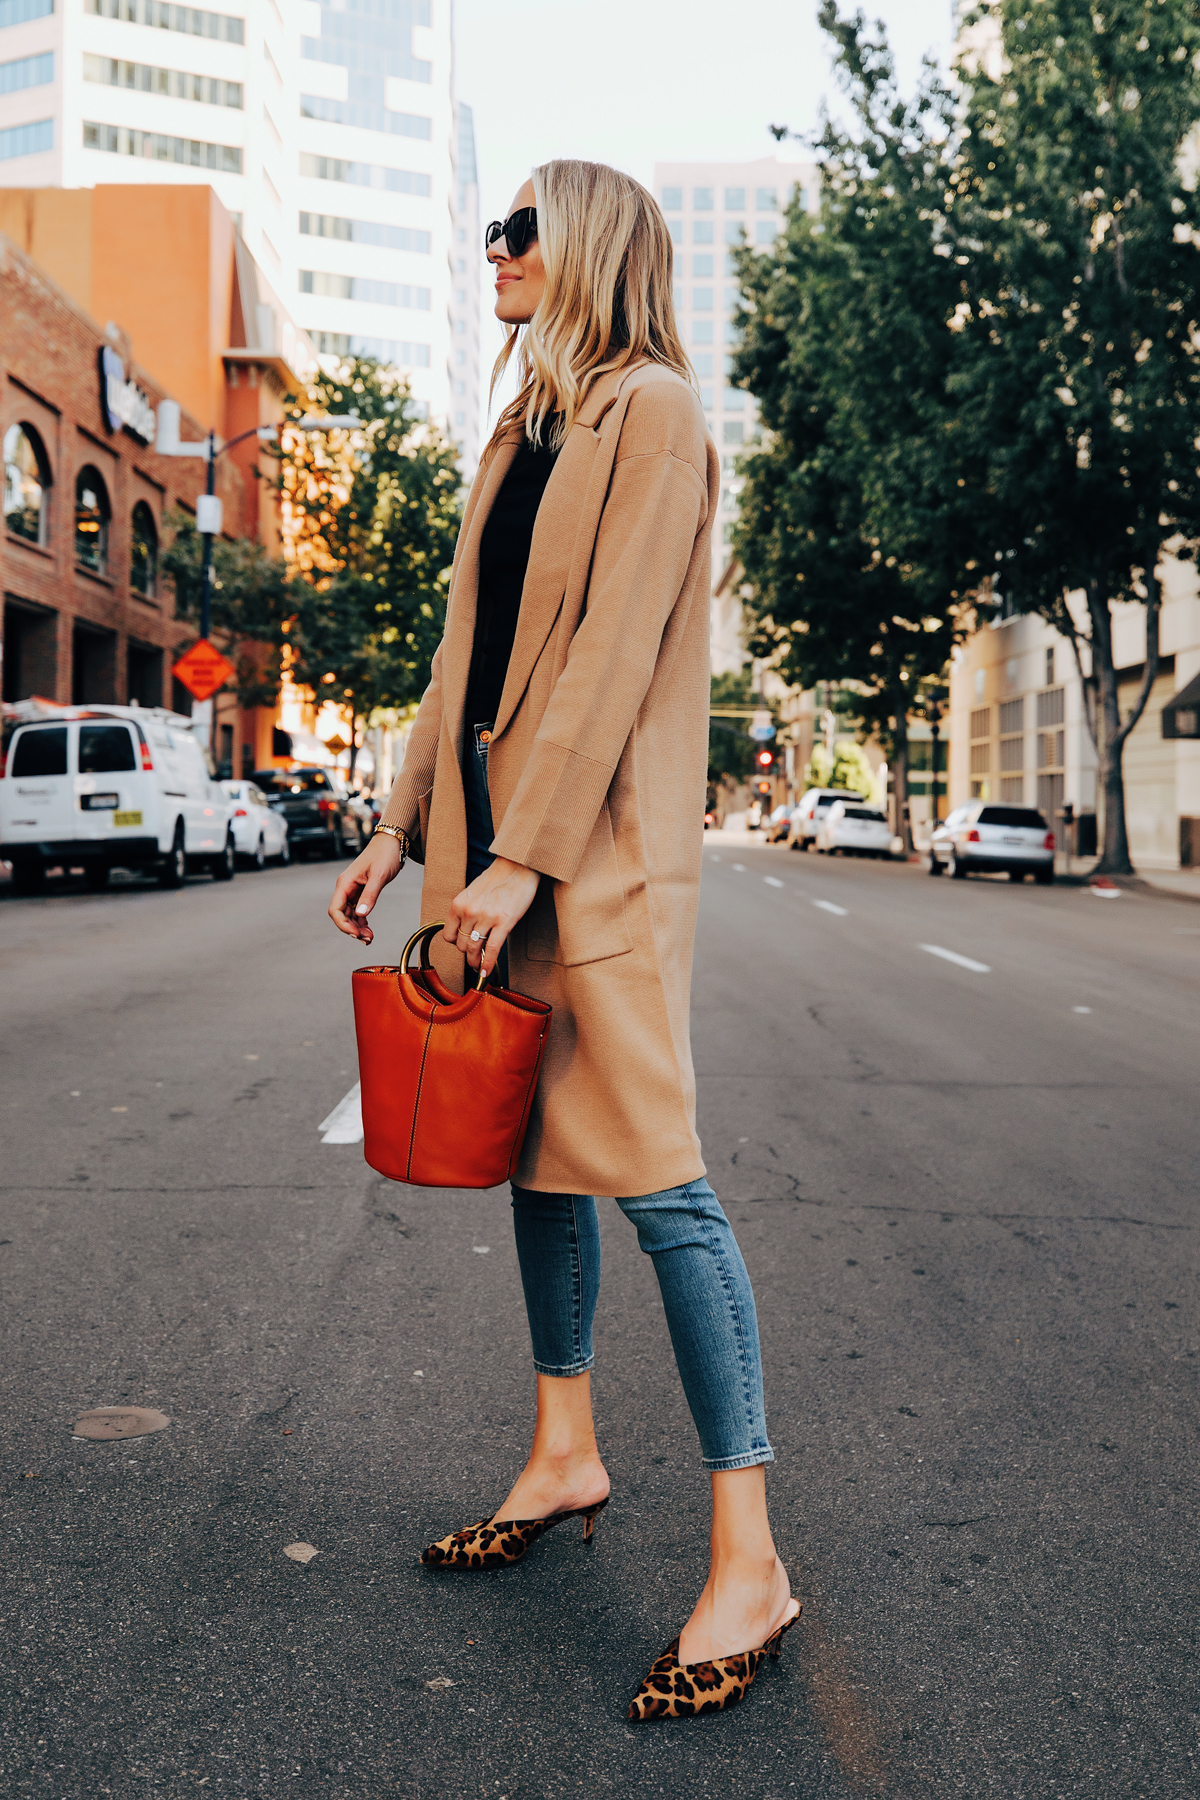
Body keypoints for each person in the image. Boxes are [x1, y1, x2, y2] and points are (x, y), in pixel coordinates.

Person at [329, 159, 799, 1720]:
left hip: (585, 876)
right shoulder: (521, 429)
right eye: (494, 228)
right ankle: (563, 1451)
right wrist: (403, 832)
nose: (496, 249)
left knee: (664, 1186)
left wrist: (523, 859)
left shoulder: (654, 414)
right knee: (537, 1171)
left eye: (520, 227)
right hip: (488, 868)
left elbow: (605, 665)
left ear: (589, 241)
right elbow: (462, 658)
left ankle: (750, 1560)